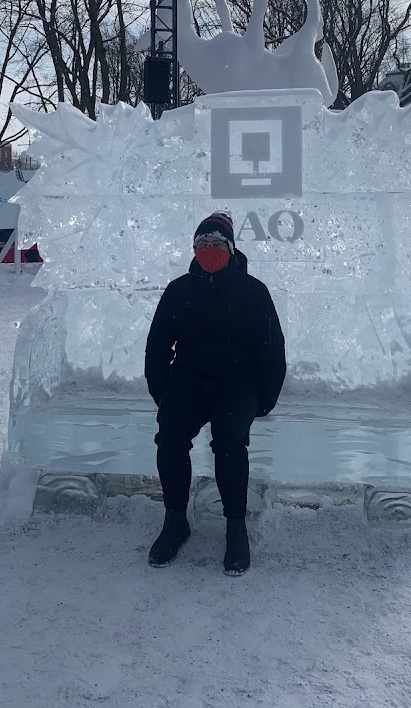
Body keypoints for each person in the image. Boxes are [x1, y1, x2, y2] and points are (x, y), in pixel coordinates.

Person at [144, 212, 286, 576]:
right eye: (202, 244)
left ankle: (235, 527)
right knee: (171, 436)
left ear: (231, 248)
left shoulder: (253, 291)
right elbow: (158, 343)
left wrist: (265, 399)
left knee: (229, 440)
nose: (209, 250)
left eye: (216, 244)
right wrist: (163, 393)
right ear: (193, 250)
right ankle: (176, 519)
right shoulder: (179, 290)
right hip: (188, 379)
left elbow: (272, 349)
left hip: (237, 382)